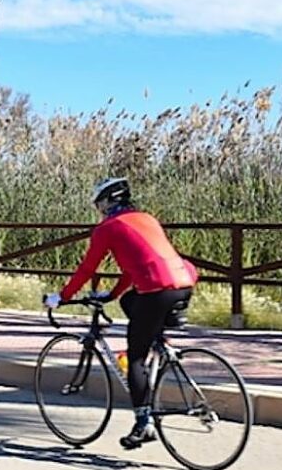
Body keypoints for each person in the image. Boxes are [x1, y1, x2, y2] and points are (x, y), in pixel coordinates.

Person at [45, 177, 197, 450]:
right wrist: (113, 295)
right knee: (129, 301)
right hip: (183, 284)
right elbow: (133, 268)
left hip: (156, 291)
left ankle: (143, 425)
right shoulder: (147, 219)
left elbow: (87, 268)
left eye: (98, 204)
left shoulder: (107, 228)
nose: (98, 210)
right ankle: (160, 343)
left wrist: (62, 296)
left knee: (135, 359)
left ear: (106, 202)